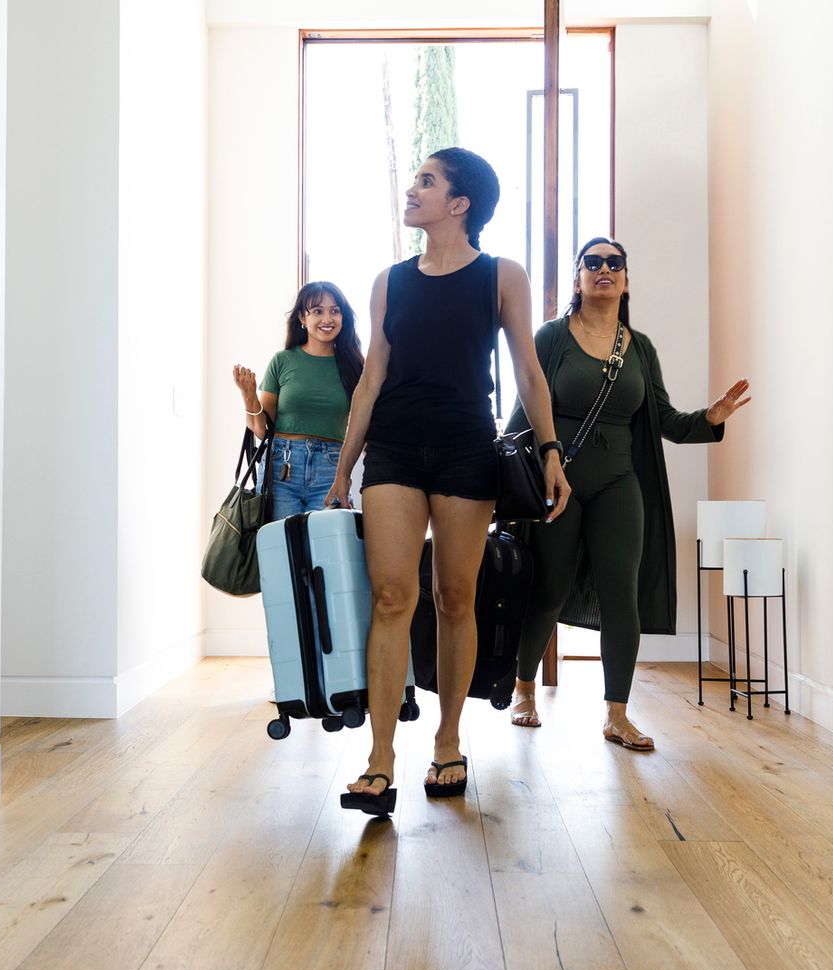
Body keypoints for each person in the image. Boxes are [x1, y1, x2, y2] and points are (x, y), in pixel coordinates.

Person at [322, 147, 569, 814]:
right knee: (393, 594)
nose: (413, 189)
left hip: (466, 445)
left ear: (459, 204)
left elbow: (527, 372)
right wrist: (345, 470)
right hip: (395, 448)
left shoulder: (500, 276)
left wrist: (550, 450)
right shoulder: (389, 282)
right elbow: (371, 378)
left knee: (456, 595)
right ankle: (378, 760)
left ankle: (449, 741)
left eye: (427, 181)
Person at [507, 236, 752, 751]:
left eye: (613, 263)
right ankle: (524, 688)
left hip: (620, 484)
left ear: (625, 278)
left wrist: (709, 419)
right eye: (591, 262)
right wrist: (504, 476)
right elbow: (525, 408)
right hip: (561, 481)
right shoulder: (552, 337)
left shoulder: (638, 348)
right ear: (578, 278)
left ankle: (617, 713)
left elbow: (662, 419)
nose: (603, 269)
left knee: (624, 595)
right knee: (548, 590)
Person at [232, 282, 364, 520]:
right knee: (282, 551)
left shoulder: (356, 367)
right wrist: (249, 396)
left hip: (332, 469)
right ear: (303, 317)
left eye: (335, 311)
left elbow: (366, 426)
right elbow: (261, 429)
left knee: (327, 553)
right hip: (282, 470)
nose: (328, 318)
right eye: (318, 311)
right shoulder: (282, 361)